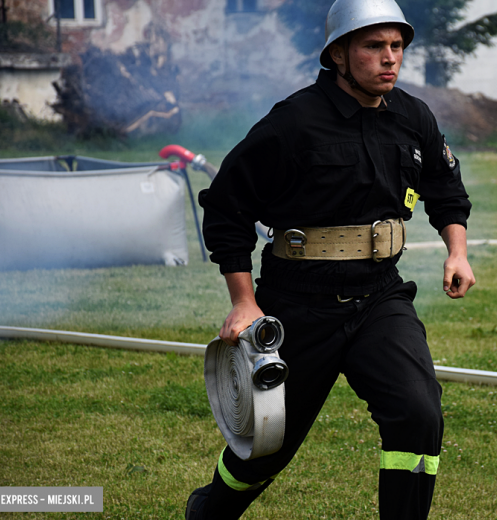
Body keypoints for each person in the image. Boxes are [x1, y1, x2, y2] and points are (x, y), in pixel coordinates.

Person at [187, 0, 475, 518]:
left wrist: (458, 251)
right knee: (267, 446)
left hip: (381, 297)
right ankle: (208, 511)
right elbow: (227, 208)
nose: (390, 58)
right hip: (300, 305)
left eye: (397, 46)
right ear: (338, 55)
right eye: (373, 46)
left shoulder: (413, 117)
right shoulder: (292, 124)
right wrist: (244, 302)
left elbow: (445, 186)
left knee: (417, 414)